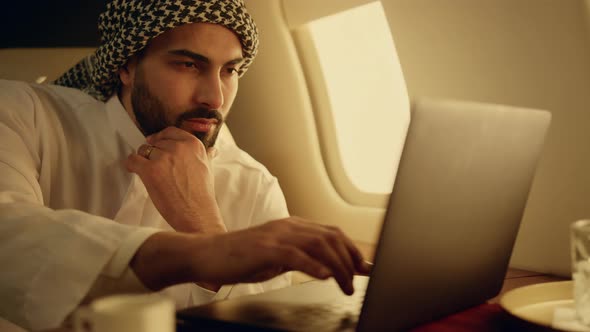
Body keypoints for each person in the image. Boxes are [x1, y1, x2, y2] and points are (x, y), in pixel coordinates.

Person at [0, 0, 371, 331]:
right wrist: (212, 253)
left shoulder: (253, 184)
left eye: (230, 71)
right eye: (189, 65)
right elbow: (11, 234)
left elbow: (262, 323)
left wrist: (203, 226)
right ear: (126, 67)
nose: (215, 97)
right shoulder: (23, 115)